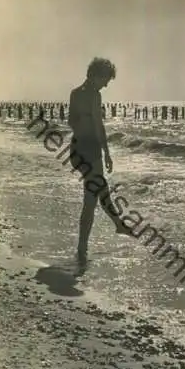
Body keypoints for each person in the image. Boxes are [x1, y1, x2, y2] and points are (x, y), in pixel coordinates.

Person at [68, 57, 132, 263]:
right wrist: (107, 153)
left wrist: (83, 120)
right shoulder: (94, 96)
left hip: (76, 150)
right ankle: (82, 249)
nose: (106, 84)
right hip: (90, 150)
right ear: (96, 75)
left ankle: (117, 225)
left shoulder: (75, 93)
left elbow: (71, 122)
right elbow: (98, 126)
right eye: (105, 79)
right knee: (90, 200)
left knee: (99, 191)